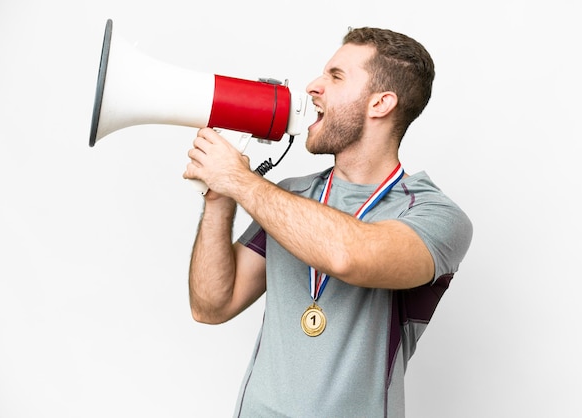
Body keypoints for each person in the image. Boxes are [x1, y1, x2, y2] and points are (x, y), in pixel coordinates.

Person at [183, 27, 473, 418]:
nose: (313, 87)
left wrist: (239, 180)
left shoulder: (434, 215)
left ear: (381, 103)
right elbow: (211, 306)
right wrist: (219, 199)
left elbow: (347, 256)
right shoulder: (288, 197)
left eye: (335, 77)